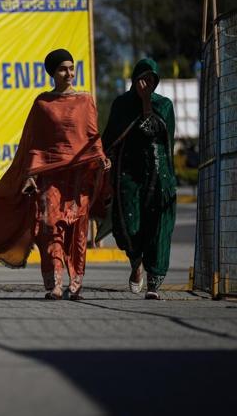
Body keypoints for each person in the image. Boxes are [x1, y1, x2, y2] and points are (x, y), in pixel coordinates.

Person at [0, 49, 110, 300]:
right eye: (62, 69)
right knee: (48, 226)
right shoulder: (42, 103)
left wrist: (100, 158)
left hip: (79, 177)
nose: (68, 73)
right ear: (52, 73)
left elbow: (92, 135)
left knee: (76, 230)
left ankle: (76, 283)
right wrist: (30, 174)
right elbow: (34, 143)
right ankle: (56, 283)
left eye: (71, 67)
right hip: (49, 175)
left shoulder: (85, 100)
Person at [101, 58, 176, 300]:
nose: (146, 84)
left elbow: (156, 133)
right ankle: (136, 264)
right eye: (142, 79)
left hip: (158, 175)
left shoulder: (163, 105)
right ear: (133, 80)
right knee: (128, 227)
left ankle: (154, 282)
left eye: (151, 80)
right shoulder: (122, 104)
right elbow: (109, 138)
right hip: (128, 176)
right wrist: (106, 160)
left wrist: (146, 103)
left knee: (157, 228)